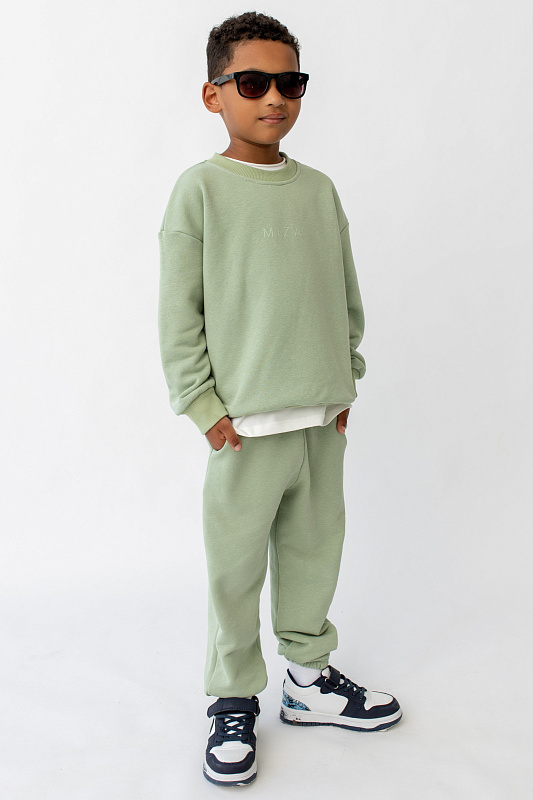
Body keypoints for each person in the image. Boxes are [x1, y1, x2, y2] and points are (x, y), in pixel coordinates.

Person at [158, 10, 402, 788]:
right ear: (213, 93)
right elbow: (178, 315)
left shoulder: (318, 190)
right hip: (242, 428)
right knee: (234, 570)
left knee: (312, 552)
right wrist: (203, 407)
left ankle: (307, 679)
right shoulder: (200, 192)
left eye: (289, 82)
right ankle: (232, 697)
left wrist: (344, 378)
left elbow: (344, 295)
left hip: (320, 420)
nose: (273, 97)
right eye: (254, 81)